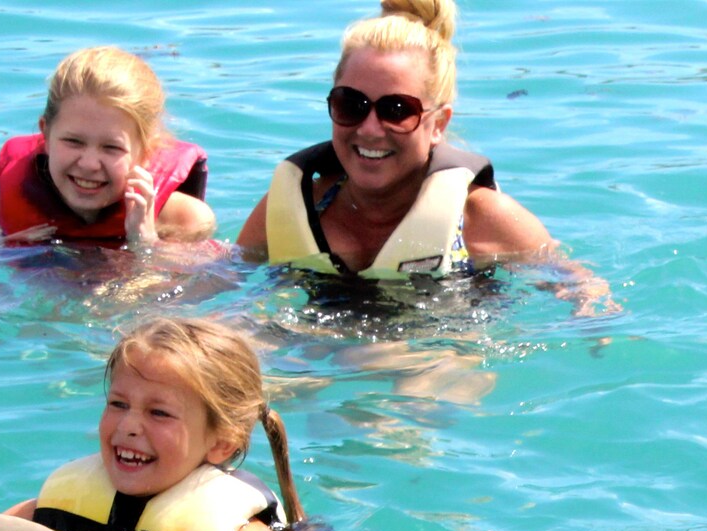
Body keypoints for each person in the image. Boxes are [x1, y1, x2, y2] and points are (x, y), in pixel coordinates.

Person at [234, 0, 612, 310]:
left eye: (397, 110)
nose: (369, 128)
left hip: (437, 352)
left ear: (438, 124)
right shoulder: (295, 206)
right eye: (352, 104)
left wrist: (590, 306)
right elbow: (221, 273)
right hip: (308, 336)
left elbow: (575, 280)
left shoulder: (482, 219)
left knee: (396, 372)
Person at [7, 318, 288, 531]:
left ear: (222, 443)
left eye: (159, 413)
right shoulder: (63, 502)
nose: (128, 427)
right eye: (118, 404)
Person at [0, 47, 215, 250]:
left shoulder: (185, 221)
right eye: (73, 142)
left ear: (146, 151)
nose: (89, 164)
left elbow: (203, 298)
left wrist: (145, 243)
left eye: (111, 147)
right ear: (45, 132)